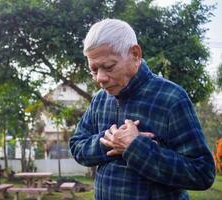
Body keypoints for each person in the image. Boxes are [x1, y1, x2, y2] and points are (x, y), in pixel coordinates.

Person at [69, 18, 215, 199]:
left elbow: (202, 173)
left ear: (135, 54)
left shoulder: (171, 98)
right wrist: (108, 141)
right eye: (93, 69)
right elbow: (77, 146)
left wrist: (137, 149)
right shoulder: (100, 99)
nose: (100, 78)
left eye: (109, 67)